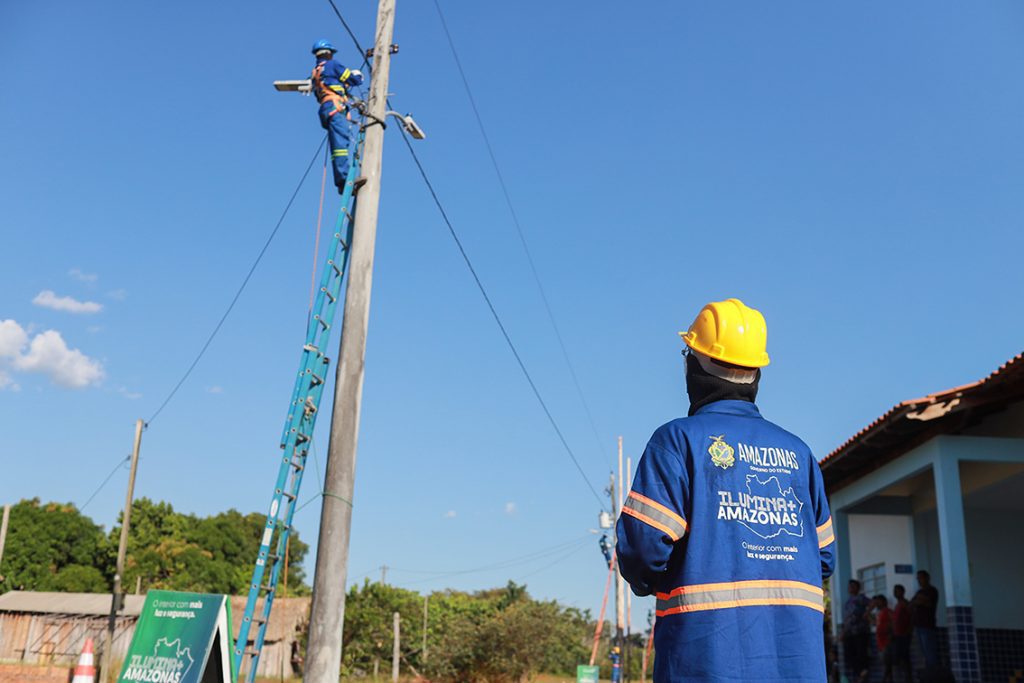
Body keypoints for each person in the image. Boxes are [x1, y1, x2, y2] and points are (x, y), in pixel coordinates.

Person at [616, 298, 836, 682]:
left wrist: (649, 581)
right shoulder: (799, 454)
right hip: (797, 666)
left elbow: (641, 548)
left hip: (702, 663)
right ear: (756, 373)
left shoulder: (677, 442)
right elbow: (825, 559)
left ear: (693, 366)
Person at [310, 39, 364, 194]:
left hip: (326, 109)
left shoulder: (315, 74)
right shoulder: (333, 65)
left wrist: (342, 88)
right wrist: (358, 76)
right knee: (341, 144)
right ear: (329, 53)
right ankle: (345, 178)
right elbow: (353, 79)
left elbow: (321, 91)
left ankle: (342, 182)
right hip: (335, 107)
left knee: (337, 146)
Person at [842, 580, 870, 682]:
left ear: (857, 588)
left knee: (861, 654)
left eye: (853, 586)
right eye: (849, 586)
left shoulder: (861, 598)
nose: (850, 588)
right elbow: (847, 619)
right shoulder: (848, 601)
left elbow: (872, 603)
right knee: (850, 656)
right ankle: (859, 674)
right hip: (850, 633)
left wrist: (867, 613)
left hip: (860, 631)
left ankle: (863, 673)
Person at [911, 570, 940, 667]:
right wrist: (919, 599)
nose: (919, 580)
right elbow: (912, 604)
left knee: (930, 652)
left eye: (921, 578)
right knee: (923, 653)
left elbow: (924, 602)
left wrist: (920, 600)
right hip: (918, 625)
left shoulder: (932, 590)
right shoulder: (919, 592)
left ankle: (934, 673)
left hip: (927, 625)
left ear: (927, 578)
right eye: (918, 578)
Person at [891, 584, 913, 683]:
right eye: (895, 591)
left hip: (904, 635)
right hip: (897, 635)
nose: (896, 592)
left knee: (905, 658)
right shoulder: (897, 605)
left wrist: (909, 630)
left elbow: (911, 616)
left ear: (903, 592)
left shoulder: (904, 603)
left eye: (898, 590)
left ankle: (908, 679)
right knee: (899, 659)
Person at [874, 595, 894, 682]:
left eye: (879, 601)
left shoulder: (888, 611)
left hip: (887, 643)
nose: (877, 603)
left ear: (884, 602)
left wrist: (890, 636)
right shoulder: (879, 613)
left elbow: (893, 624)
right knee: (887, 666)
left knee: (887, 665)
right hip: (880, 643)